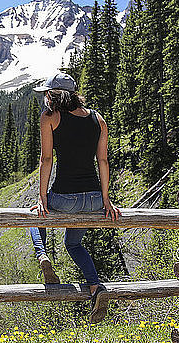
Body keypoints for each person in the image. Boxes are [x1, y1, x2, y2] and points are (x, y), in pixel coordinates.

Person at [28, 72, 121, 324]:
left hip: (64, 198)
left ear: (54, 95)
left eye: (47, 93)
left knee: (34, 216)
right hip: (93, 200)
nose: (45, 97)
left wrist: (41, 197)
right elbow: (103, 160)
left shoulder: (50, 117)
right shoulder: (97, 118)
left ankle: (42, 255)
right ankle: (95, 287)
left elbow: (46, 159)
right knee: (74, 244)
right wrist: (105, 199)